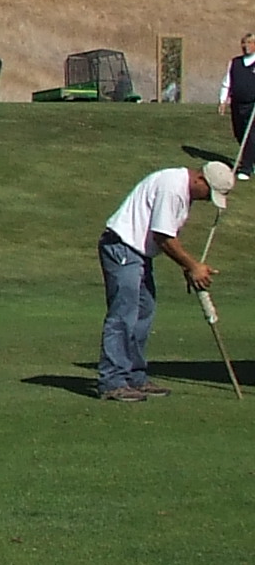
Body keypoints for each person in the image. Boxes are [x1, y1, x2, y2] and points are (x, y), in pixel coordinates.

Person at [98, 160, 229, 402]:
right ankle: (112, 381)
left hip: (138, 253)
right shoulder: (173, 188)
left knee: (144, 312)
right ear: (200, 179)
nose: (206, 199)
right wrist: (193, 266)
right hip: (122, 248)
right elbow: (163, 237)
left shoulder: (182, 190)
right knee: (124, 315)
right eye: (208, 193)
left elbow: (167, 236)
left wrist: (187, 266)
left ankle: (135, 376)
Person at [224, 34, 255, 152]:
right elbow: (227, 81)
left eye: (249, 43)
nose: (246, 46)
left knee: (251, 134)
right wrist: (223, 100)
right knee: (239, 132)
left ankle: (248, 162)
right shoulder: (235, 62)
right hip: (237, 104)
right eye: (244, 43)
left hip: (252, 104)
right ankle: (248, 155)